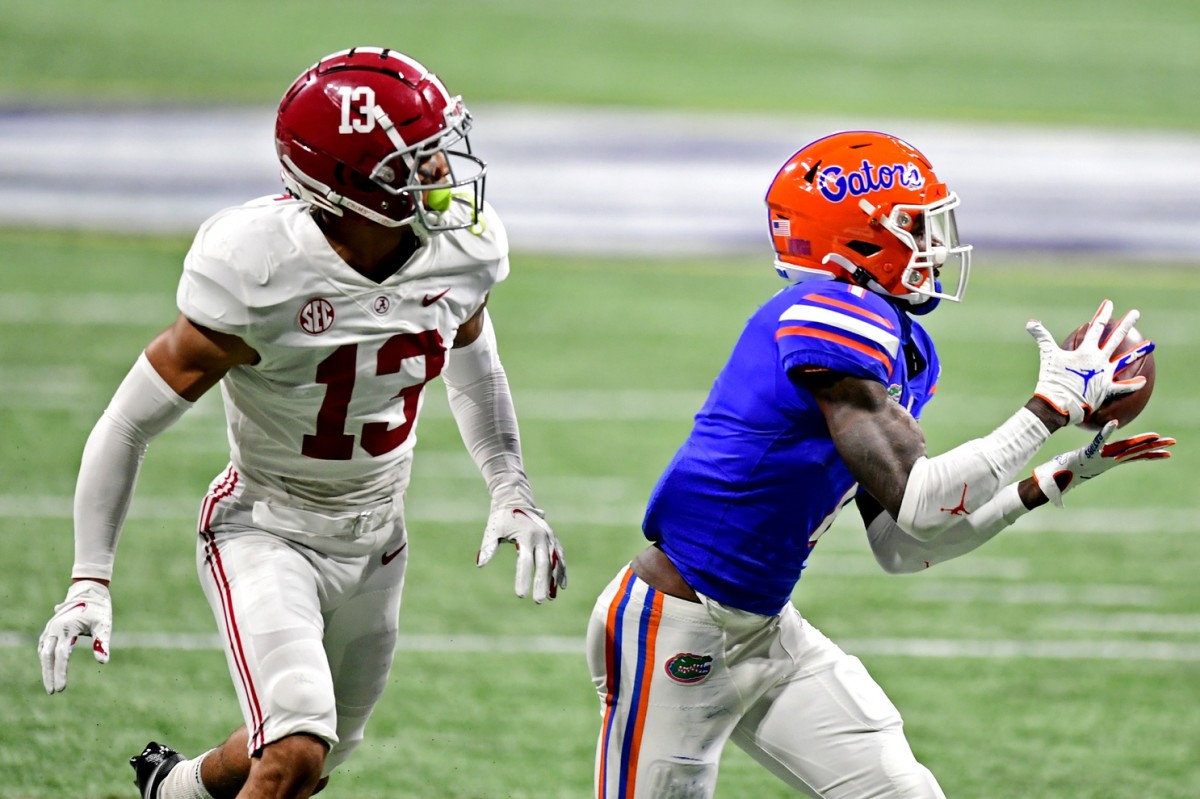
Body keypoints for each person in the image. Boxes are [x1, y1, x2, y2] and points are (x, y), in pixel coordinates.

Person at [36, 46, 568, 799]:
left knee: (310, 754)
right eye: (415, 162)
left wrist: (510, 485)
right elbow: (128, 422)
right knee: (294, 751)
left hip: (380, 536)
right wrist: (89, 577)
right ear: (351, 185)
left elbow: (472, 357)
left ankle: (176, 787)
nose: (444, 171)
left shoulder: (460, 250)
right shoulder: (259, 267)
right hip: (266, 528)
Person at [585, 130, 1174, 798]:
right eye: (918, 228)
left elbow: (905, 541)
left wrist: (1052, 479)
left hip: (765, 630)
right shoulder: (829, 313)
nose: (936, 245)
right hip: (673, 628)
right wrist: (1047, 407)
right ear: (858, 240)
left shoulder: (900, 343)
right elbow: (925, 501)